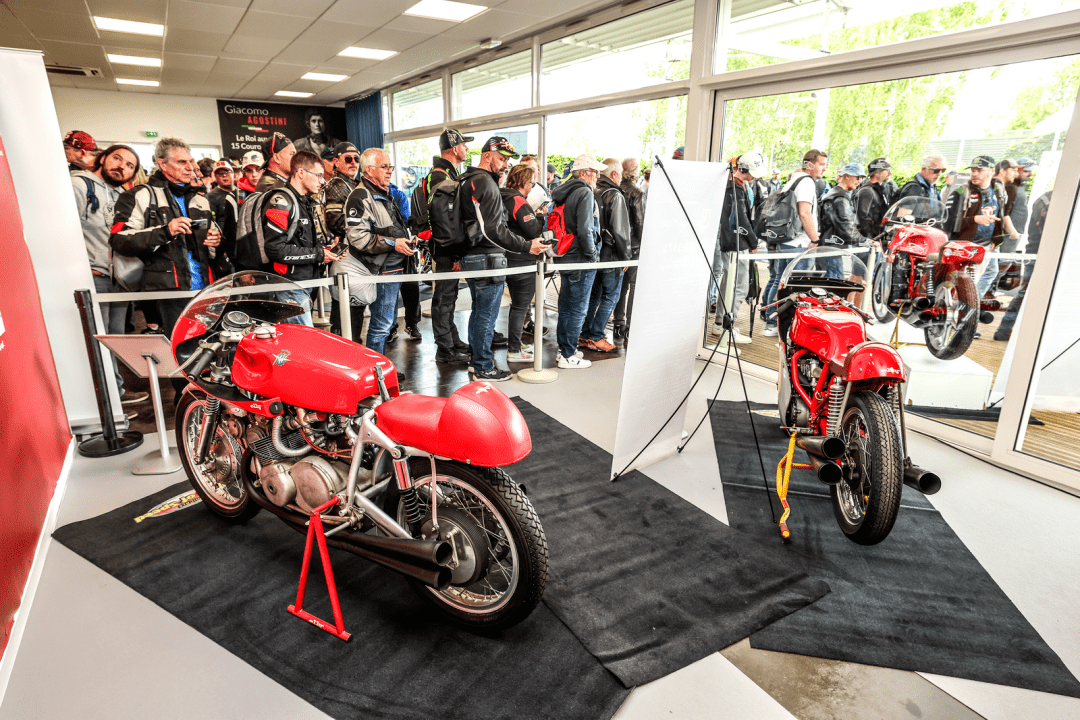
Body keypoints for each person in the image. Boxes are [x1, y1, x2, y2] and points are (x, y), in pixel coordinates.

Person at [109, 137, 223, 402]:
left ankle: (211, 406)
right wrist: (165, 231)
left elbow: (212, 243)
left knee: (211, 349)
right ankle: (188, 404)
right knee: (180, 354)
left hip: (205, 288)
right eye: (182, 162)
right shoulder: (140, 195)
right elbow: (119, 240)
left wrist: (216, 241)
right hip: (168, 290)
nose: (190, 167)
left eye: (191, 161)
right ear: (162, 163)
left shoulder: (201, 199)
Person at [458, 137, 547, 381]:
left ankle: (477, 362)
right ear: (487, 155)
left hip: (474, 256)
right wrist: (526, 245)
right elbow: (493, 230)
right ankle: (484, 366)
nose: (506, 164)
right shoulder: (484, 182)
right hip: (486, 257)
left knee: (479, 313)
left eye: (508, 159)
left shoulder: (470, 179)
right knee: (485, 316)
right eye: (502, 158)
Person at [72, 143, 147, 406]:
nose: (121, 167)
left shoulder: (125, 195)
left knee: (115, 339)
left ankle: (116, 393)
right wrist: (80, 267)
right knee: (99, 339)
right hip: (95, 277)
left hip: (120, 279)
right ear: (103, 158)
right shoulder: (79, 185)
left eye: (129, 165)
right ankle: (105, 400)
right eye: (117, 159)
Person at [342, 148, 416, 355]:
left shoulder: (385, 193)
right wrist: (394, 243)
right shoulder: (360, 196)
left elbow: (392, 228)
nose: (389, 171)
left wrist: (405, 240)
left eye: (390, 166)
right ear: (369, 170)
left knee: (386, 324)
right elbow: (359, 238)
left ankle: (380, 366)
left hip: (393, 268)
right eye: (384, 167)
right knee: (381, 326)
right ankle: (377, 369)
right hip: (381, 270)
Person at [261, 150, 337, 326]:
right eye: (318, 175)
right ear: (301, 172)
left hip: (305, 282)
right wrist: (318, 254)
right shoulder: (281, 200)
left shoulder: (305, 201)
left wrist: (327, 251)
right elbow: (275, 249)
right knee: (304, 339)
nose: (322, 181)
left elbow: (302, 242)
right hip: (290, 286)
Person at [762, 149, 827, 336]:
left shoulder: (793, 179)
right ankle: (782, 326)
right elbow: (805, 213)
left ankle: (771, 322)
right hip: (799, 243)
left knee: (780, 282)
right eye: (821, 164)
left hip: (786, 240)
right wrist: (815, 238)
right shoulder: (806, 182)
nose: (824, 169)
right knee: (795, 287)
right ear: (809, 164)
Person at [551, 154, 606, 368]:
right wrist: (592, 255)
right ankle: (567, 355)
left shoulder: (565, 192)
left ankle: (565, 349)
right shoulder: (584, 192)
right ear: (583, 173)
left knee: (566, 306)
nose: (598, 176)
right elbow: (585, 229)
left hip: (566, 256)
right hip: (581, 258)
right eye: (595, 172)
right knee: (578, 309)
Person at [424, 128, 474, 364]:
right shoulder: (440, 176)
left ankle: (452, 340)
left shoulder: (444, 174)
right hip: (445, 250)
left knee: (448, 298)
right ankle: (444, 349)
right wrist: (455, 254)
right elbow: (445, 222)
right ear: (454, 149)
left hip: (445, 248)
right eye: (464, 145)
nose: (467, 148)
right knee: (443, 299)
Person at [945, 155, 1011, 312]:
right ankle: (962, 312)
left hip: (987, 245)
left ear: (991, 171)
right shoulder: (961, 191)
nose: (974, 174)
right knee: (959, 284)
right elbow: (948, 221)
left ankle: (968, 309)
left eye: (979, 170)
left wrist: (996, 240)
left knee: (986, 274)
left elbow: (1001, 214)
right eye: (973, 170)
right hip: (965, 247)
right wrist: (974, 219)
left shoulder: (999, 189)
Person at [713, 152, 766, 344]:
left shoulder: (734, 186)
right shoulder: (735, 188)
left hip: (732, 242)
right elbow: (741, 219)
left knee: (730, 284)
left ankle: (721, 324)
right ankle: (727, 326)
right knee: (739, 286)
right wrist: (753, 242)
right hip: (736, 244)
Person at [581, 158, 631, 353]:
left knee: (594, 295)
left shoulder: (592, 191)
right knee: (611, 296)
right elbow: (620, 230)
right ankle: (596, 336)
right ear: (614, 174)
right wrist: (626, 256)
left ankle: (585, 333)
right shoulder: (615, 195)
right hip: (612, 255)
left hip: (596, 254)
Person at [501, 163, 545, 362]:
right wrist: (540, 216)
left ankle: (515, 344)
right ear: (524, 182)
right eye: (532, 183)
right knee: (520, 306)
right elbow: (533, 230)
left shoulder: (502, 197)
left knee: (517, 305)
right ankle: (514, 350)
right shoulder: (518, 201)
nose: (532, 186)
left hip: (508, 258)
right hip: (522, 260)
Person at [995, 190, 1049, 342]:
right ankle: (1004, 330)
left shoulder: (1047, 200)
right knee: (1025, 294)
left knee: (1025, 294)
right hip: (1039, 255)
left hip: (1041, 254)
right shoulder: (1048, 201)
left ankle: (1006, 331)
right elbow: (1048, 231)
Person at [819, 163, 871, 288]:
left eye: (862, 178)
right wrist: (865, 241)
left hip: (829, 247)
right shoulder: (840, 198)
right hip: (831, 248)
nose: (860, 181)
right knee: (836, 287)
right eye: (858, 177)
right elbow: (846, 227)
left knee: (832, 286)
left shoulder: (835, 194)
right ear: (847, 176)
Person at [613, 157, 646, 341]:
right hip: (634, 247)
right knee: (634, 286)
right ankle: (630, 328)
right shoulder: (637, 193)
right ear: (636, 173)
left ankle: (618, 323)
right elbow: (640, 224)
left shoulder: (615, 189)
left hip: (616, 246)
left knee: (621, 285)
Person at [207, 160, 239, 277]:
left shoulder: (241, 192)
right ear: (215, 177)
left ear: (233, 173)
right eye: (220, 173)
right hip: (224, 249)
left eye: (227, 172)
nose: (224, 176)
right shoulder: (211, 197)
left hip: (241, 245)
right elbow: (212, 225)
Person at [853, 157, 891, 242]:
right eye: (887, 170)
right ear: (876, 173)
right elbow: (862, 220)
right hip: (870, 241)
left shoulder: (877, 189)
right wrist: (870, 241)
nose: (890, 173)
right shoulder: (867, 191)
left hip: (877, 238)